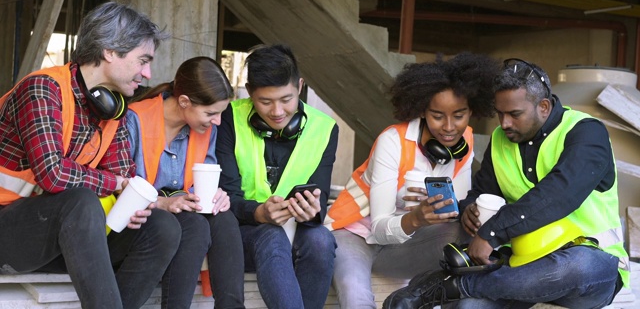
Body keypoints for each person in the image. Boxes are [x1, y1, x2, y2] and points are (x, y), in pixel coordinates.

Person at [384, 58, 629, 309]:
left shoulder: (586, 132)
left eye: (514, 114)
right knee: (467, 307)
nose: (504, 123)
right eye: (500, 113)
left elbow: (558, 194)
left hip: (591, 266)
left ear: (543, 106)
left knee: (578, 267)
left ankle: (449, 286)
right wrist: (470, 208)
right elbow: (482, 192)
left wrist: (492, 232)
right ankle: (458, 289)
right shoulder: (501, 139)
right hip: (519, 267)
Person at [0, 1, 182, 308]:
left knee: (163, 227)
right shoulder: (43, 89)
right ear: (110, 51)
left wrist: (132, 204)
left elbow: (125, 178)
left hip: (70, 241)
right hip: (11, 233)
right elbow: (53, 174)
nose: (148, 74)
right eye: (143, 60)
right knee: (80, 201)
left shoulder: (115, 108)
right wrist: (116, 185)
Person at [324, 52, 501, 308]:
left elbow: (454, 212)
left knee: (462, 230)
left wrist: (467, 213)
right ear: (422, 111)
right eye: (438, 116)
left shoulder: (466, 143)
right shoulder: (393, 141)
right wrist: (416, 218)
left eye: (459, 115)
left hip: (404, 244)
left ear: (472, 110)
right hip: (355, 234)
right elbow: (378, 228)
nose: (449, 127)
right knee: (356, 296)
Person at [215, 44, 338, 309]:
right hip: (244, 234)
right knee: (271, 236)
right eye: (265, 102)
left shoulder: (325, 128)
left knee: (321, 240)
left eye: (286, 99)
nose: (278, 112)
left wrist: (312, 211)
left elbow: (321, 201)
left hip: (296, 231)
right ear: (249, 92)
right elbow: (226, 196)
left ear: (300, 86)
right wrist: (258, 213)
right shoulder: (228, 118)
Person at [126, 56, 245, 308]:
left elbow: (202, 181)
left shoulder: (206, 129)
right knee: (195, 226)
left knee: (224, 216)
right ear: (184, 101)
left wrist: (217, 195)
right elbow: (119, 186)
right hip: (140, 217)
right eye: (211, 113)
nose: (218, 121)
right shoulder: (134, 119)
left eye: (220, 113)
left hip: (182, 211)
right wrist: (165, 203)